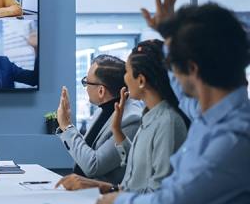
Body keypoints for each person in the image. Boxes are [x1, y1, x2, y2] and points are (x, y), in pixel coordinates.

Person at [96, 0, 250, 204]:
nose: (171, 77)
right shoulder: (209, 112)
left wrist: (118, 200)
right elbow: (181, 88)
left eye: (173, 68)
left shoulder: (233, 140)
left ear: (192, 69)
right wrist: (169, 34)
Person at [56, 40, 189, 194]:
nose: (123, 80)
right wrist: (117, 132)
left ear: (140, 81)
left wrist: (112, 194)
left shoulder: (165, 122)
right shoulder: (149, 116)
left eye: (127, 72)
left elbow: (157, 192)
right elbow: (134, 171)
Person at [56, 55, 143, 185]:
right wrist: (67, 124)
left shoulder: (131, 119)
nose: (85, 87)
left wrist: (67, 126)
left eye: (86, 82)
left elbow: (93, 165)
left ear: (101, 91)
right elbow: (86, 151)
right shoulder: (101, 110)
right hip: (83, 192)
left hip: (105, 197)